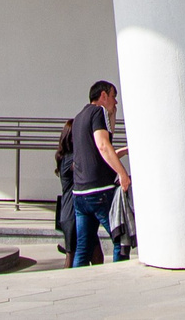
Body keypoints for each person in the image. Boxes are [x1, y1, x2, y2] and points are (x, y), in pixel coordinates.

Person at [65, 80, 129, 266]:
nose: (115, 102)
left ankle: (77, 284)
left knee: (83, 248)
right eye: (113, 96)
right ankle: (119, 278)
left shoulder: (79, 118)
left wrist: (112, 117)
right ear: (103, 96)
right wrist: (122, 174)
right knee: (120, 239)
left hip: (80, 193)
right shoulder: (97, 112)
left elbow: (99, 148)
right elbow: (103, 146)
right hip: (99, 190)